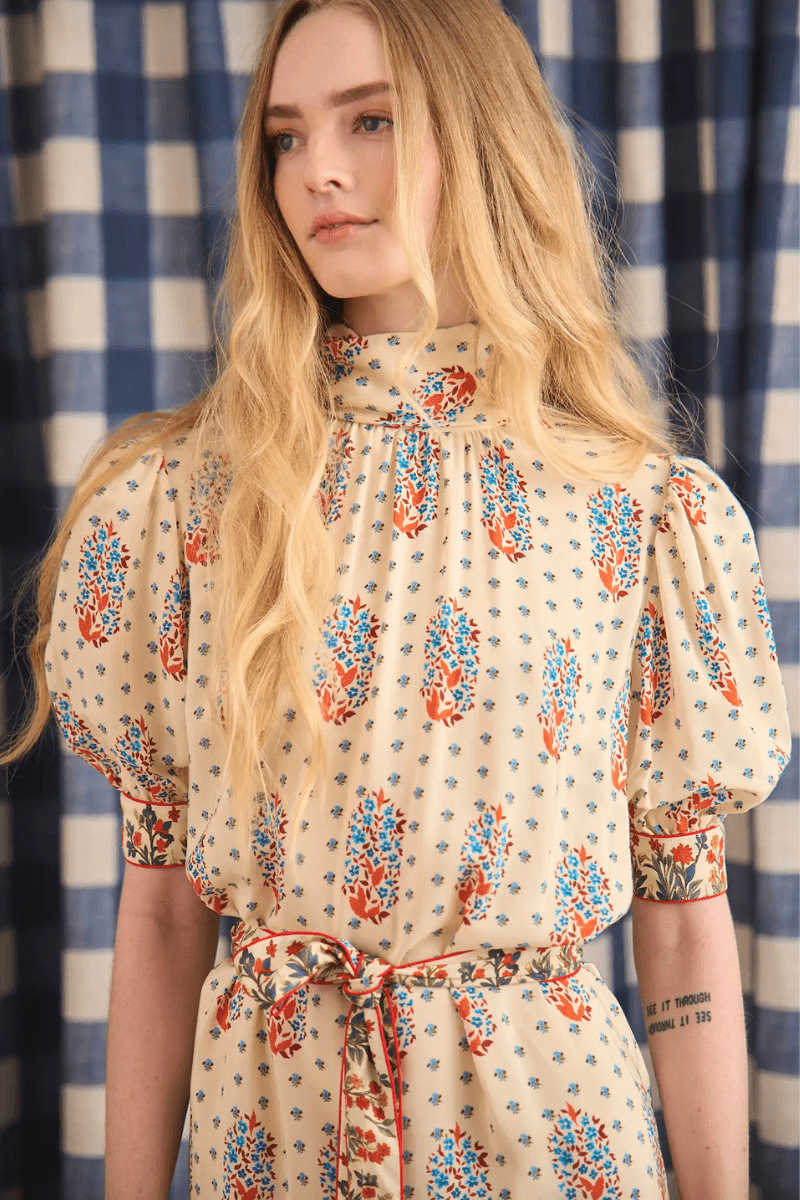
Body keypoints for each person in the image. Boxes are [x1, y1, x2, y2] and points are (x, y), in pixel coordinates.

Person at [3, 1, 791, 1197]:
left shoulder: (636, 511)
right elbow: (161, 920)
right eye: (284, 136)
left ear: (480, 138)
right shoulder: (181, 503)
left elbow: (681, 922)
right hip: (271, 1139)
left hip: (550, 1139)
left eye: (368, 120)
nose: (315, 169)